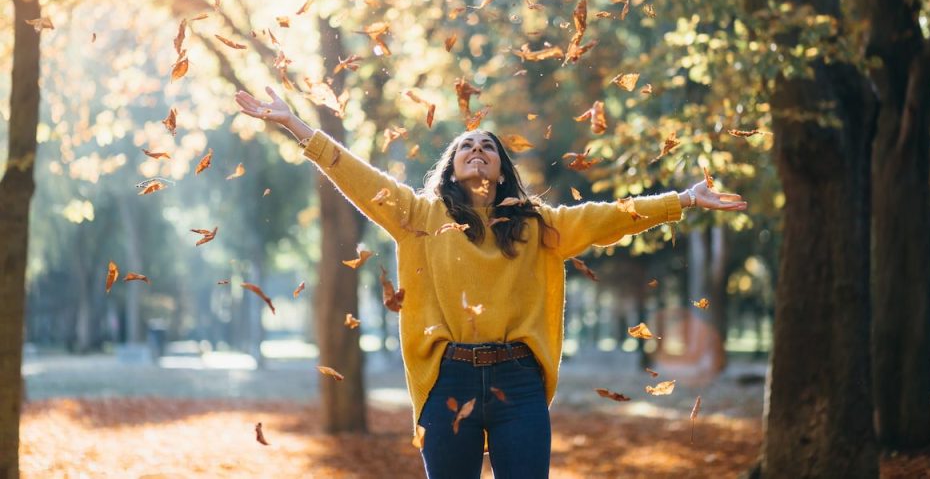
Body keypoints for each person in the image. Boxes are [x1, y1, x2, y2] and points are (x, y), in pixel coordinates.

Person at [235, 86, 748, 479]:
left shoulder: (537, 225)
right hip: (447, 379)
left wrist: (682, 199)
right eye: (466, 145)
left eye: (488, 146)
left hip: (518, 383)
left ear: (501, 170)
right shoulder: (418, 216)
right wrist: (295, 124)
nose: (477, 148)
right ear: (451, 168)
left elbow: (608, 216)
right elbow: (358, 177)